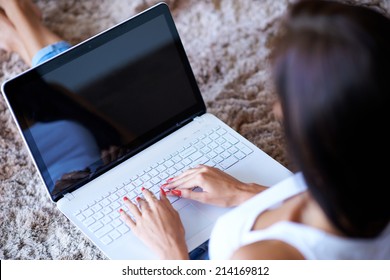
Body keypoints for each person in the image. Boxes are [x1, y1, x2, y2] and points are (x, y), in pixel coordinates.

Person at [2, 0, 389, 260]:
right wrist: (246, 193)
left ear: (327, 129)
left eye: (284, 92)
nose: (274, 107)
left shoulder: (266, 257)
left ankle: (32, 40)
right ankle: (32, 41)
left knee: (71, 135)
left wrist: (172, 251)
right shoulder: (359, 176)